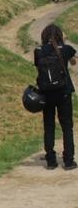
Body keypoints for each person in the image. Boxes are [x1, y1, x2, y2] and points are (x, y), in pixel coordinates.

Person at [34, 24, 77, 170]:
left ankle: (51, 161)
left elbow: (39, 68)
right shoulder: (66, 49)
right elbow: (73, 62)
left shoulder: (38, 51)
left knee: (49, 125)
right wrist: (64, 42)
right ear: (60, 35)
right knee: (67, 126)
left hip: (46, 93)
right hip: (63, 91)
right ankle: (69, 161)